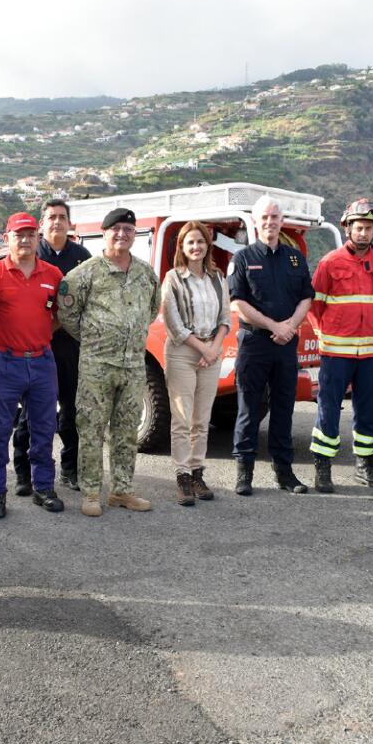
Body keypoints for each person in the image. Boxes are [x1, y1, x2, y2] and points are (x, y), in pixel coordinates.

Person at [58, 207, 161, 517]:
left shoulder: (145, 274)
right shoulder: (84, 273)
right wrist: (96, 337)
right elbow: (67, 314)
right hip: (96, 365)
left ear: (134, 234)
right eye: (115, 229)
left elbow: (152, 310)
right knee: (90, 428)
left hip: (132, 366)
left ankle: (122, 489)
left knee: (127, 429)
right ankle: (91, 492)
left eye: (128, 229)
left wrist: (129, 334)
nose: (122, 234)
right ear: (104, 233)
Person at [0, 213, 64, 517]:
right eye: (19, 234)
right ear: (7, 238)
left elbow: (58, 317)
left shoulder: (53, 275)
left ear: (38, 237)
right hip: (6, 362)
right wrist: (4, 339)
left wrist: (37, 338)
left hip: (42, 361)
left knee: (43, 429)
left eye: (30, 234)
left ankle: (43, 487)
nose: (25, 240)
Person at [228, 196, 314, 495]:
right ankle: (244, 472)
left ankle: (284, 473)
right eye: (264, 217)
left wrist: (290, 326)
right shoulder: (242, 258)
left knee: (283, 408)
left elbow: (306, 296)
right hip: (255, 343)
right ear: (255, 220)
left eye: (274, 217)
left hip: (285, 345)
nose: (269, 222)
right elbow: (237, 302)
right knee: (249, 408)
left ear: (281, 220)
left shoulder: (295, 258)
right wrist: (273, 325)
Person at [308, 199, 373, 493]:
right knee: (328, 409)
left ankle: (365, 468)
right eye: (358, 228)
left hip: (369, 354)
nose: (363, 233)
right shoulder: (330, 262)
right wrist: (324, 333)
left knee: (368, 411)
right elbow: (314, 304)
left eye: (368, 228)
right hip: (336, 353)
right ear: (347, 229)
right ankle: (323, 468)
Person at [11, 199, 91, 496]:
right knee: (31, 413)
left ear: (70, 223)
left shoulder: (82, 257)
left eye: (62, 217)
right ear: (41, 224)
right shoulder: (32, 253)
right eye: (51, 217)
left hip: (71, 346)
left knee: (71, 411)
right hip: (36, 346)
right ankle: (24, 473)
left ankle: (70, 469)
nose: (57, 222)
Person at [162, 220, 230, 505]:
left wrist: (213, 348)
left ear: (207, 245)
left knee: (202, 420)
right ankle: (182, 477)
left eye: (200, 241)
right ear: (182, 246)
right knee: (182, 419)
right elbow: (173, 323)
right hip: (182, 353)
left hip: (211, 353)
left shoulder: (218, 277)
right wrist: (203, 348)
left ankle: (197, 472)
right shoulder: (173, 278)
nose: (196, 247)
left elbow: (225, 317)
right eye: (190, 242)